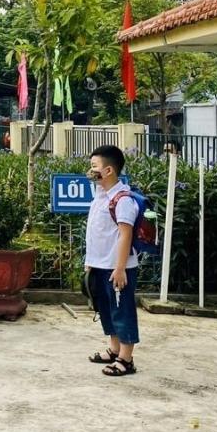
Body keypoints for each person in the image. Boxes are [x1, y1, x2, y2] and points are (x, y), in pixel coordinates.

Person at [84, 145, 140, 377]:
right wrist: (90, 261)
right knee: (106, 309)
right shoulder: (100, 196)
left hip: (117, 267)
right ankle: (115, 349)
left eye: (94, 167)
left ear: (108, 170)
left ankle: (126, 359)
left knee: (122, 310)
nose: (90, 171)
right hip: (100, 265)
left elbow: (125, 235)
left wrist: (120, 269)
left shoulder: (123, 199)